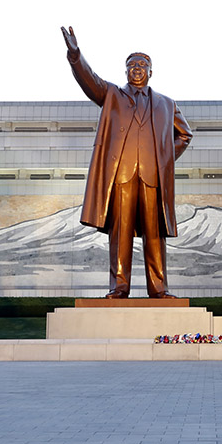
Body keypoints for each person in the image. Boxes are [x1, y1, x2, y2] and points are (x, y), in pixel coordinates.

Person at [61, 26, 193, 299]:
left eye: (142, 65)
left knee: (154, 234)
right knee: (120, 233)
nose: (137, 69)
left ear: (151, 71)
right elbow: (89, 80)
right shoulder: (112, 95)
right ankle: (119, 288)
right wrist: (75, 55)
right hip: (121, 176)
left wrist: (164, 158)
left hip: (152, 178)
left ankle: (159, 289)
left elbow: (185, 135)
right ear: (125, 71)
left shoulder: (167, 104)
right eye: (132, 65)